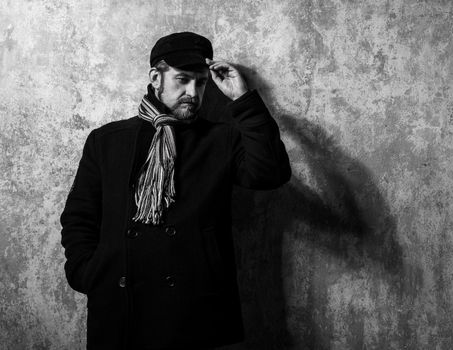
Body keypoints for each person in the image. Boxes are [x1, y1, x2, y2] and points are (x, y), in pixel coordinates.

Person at [60, 32, 291, 349]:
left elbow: (271, 173)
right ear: (156, 77)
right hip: (120, 309)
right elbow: (79, 216)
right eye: (182, 80)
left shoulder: (221, 139)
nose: (193, 93)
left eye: (200, 82)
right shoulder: (108, 140)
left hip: (194, 311)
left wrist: (243, 99)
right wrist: (88, 273)